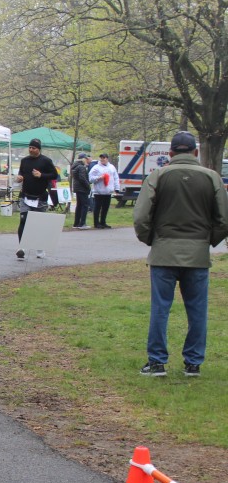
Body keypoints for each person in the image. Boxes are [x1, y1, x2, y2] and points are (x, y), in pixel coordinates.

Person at [133, 131, 228, 377]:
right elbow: (223, 219)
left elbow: (141, 217)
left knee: (160, 309)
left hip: (164, 252)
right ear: (195, 152)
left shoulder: (157, 176)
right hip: (197, 254)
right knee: (197, 311)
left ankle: (157, 362)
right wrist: (208, 241)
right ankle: (193, 363)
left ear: (171, 153)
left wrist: (151, 240)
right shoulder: (212, 178)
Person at [14, 138, 57, 259]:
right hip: (25, 196)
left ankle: (40, 249)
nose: (31, 150)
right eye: (30, 147)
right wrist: (19, 178)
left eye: (33, 148)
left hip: (40, 197)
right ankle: (22, 247)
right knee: (23, 220)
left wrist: (41, 175)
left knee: (39, 224)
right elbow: (21, 173)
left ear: (38, 149)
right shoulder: (24, 161)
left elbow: (54, 175)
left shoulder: (46, 161)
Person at [88, 152, 118, 228]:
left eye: (104, 158)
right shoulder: (96, 167)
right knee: (97, 208)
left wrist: (117, 188)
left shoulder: (112, 167)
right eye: (101, 158)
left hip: (108, 191)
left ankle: (103, 222)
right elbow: (90, 178)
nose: (102, 159)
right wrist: (99, 178)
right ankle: (96, 223)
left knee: (105, 208)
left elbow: (116, 178)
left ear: (107, 158)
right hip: (99, 191)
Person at [70, 152, 91, 229]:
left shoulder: (75, 166)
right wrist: (88, 186)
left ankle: (76, 223)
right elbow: (82, 178)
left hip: (77, 188)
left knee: (79, 205)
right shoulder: (81, 167)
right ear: (83, 159)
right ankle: (82, 223)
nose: (86, 160)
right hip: (82, 188)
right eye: (86, 158)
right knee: (85, 205)